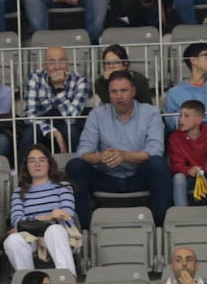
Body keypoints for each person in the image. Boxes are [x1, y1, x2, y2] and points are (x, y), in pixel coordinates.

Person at [67, 71, 171, 228]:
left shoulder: (151, 113)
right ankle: (84, 229)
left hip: (138, 176)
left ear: (133, 91)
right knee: (75, 166)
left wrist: (125, 156)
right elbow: (83, 152)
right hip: (105, 176)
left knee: (158, 164)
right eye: (114, 91)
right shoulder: (97, 114)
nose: (119, 96)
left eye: (124, 90)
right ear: (108, 94)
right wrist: (100, 157)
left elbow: (156, 150)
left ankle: (160, 227)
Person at [5, 143, 79, 273]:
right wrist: (48, 217)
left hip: (59, 233)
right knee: (12, 240)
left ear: (49, 163)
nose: (37, 164)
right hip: (30, 236)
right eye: (32, 161)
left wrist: (31, 221)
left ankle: (68, 278)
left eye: (42, 160)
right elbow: (17, 221)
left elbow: (67, 218)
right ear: (27, 166)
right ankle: (28, 282)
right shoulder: (19, 192)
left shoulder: (63, 187)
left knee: (54, 230)